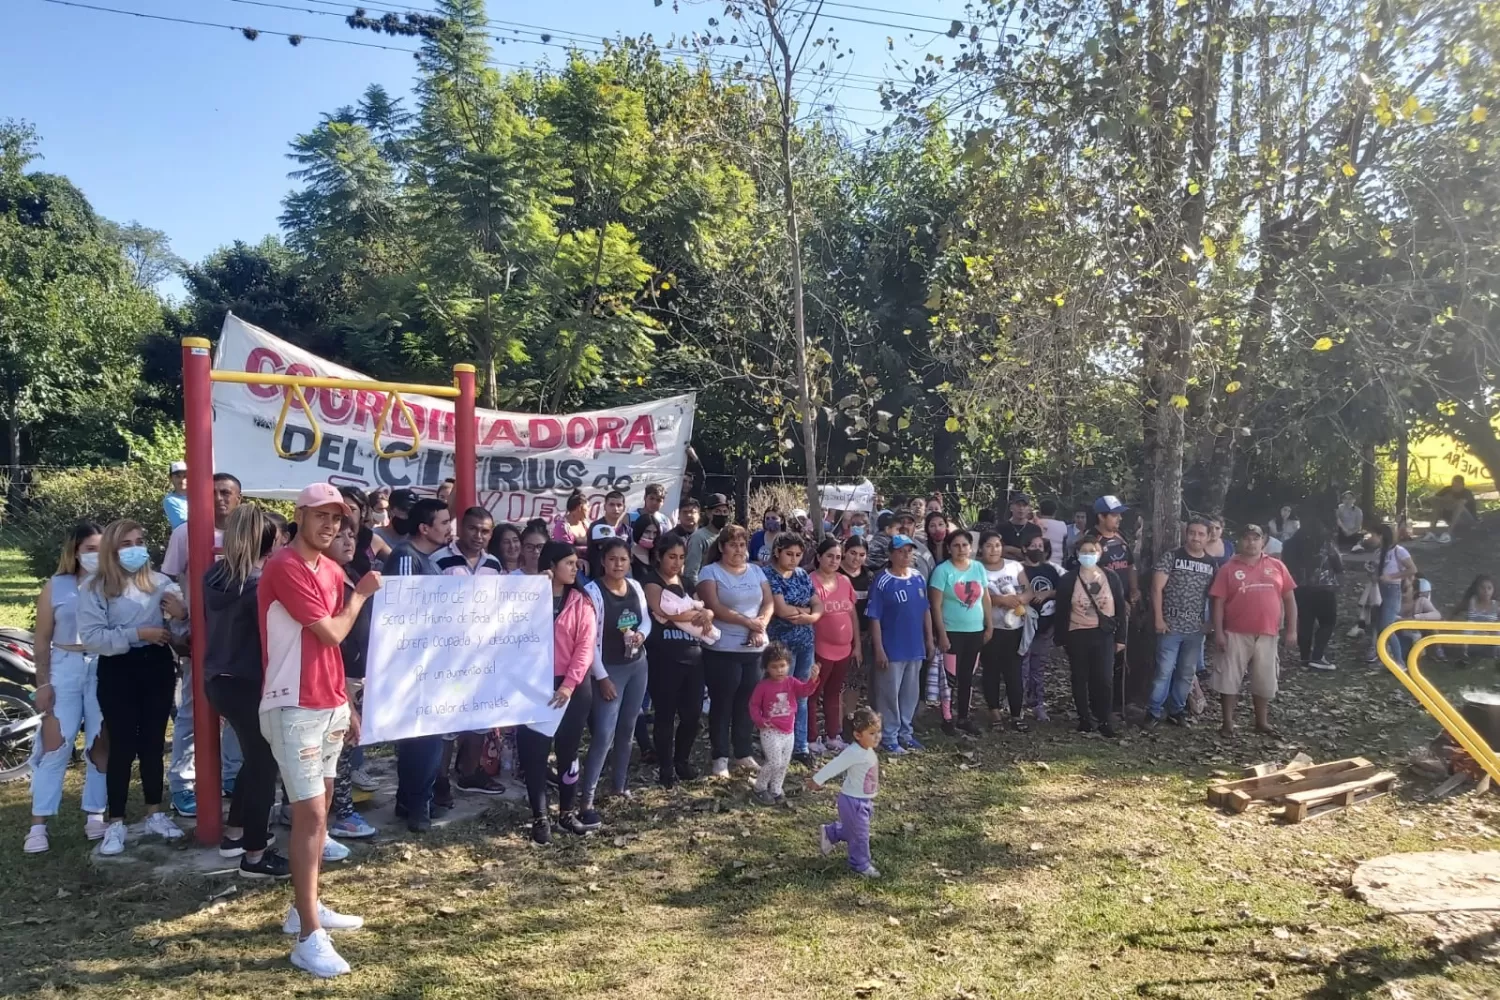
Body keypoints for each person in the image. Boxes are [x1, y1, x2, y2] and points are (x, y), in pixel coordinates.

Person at [258, 484, 380, 976]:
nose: (331, 526)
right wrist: (362, 597)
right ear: (300, 516)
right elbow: (331, 631)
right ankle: (309, 936)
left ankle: (304, 909)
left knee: (321, 813)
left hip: (327, 703)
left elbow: (330, 652)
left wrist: (346, 704)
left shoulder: (330, 569)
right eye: (323, 517)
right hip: (292, 705)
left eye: (339, 519)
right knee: (308, 816)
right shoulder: (284, 566)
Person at [78, 520, 190, 855]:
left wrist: (180, 613)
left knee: (153, 743)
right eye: (126, 544)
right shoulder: (95, 589)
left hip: (156, 666)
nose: (135, 549)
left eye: (140, 541)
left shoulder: (160, 583)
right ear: (112, 550)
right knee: (122, 745)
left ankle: (155, 812)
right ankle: (116, 822)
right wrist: (138, 634)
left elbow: (183, 622)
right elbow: (96, 639)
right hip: (118, 669)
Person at [202, 505, 292, 876]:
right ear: (267, 541)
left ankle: (236, 833)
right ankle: (255, 855)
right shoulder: (258, 587)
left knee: (254, 759)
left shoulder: (214, 576)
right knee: (263, 766)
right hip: (251, 683)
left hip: (220, 681)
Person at [161, 471, 244, 819]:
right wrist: (180, 620)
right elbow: (167, 582)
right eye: (212, 493)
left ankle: (230, 776)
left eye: (226, 492)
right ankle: (183, 784)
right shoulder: (186, 532)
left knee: (239, 711)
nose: (220, 499)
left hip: (241, 636)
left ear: (239, 497)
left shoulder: (248, 533)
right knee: (193, 710)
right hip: (201, 635)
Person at [24, 522, 107, 854]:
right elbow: (41, 639)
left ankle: (95, 814)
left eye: (102, 549)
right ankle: (39, 824)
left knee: (102, 742)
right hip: (65, 666)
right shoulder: (56, 586)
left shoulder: (112, 584)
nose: (96, 556)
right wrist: (42, 682)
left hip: (102, 664)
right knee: (55, 743)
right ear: (74, 552)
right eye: (90, 549)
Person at [518, 542, 597, 845]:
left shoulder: (581, 601)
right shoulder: (525, 599)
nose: (575, 568)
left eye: (577, 562)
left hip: (572, 689)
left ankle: (566, 812)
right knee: (535, 754)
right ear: (550, 565)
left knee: (568, 752)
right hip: (533, 685)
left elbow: (585, 648)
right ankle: (539, 817)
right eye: (568, 562)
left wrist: (568, 684)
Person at [384, 498, 452, 832]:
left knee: (419, 739)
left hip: (427, 663)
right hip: (415, 666)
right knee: (424, 740)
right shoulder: (406, 559)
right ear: (424, 528)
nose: (448, 528)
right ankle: (418, 807)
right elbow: (405, 612)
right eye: (443, 523)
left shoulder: (423, 559)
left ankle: (408, 802)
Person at [434, 507, 507, 796]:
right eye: (474, 529)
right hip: (449, 655)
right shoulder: (438, 561)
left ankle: (469, 773)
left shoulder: (494, 564)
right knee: (447, 720)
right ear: (461, 528)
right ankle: (439, 780)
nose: (479, 536)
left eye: (486, 531)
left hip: (484, 653)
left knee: (480, 716)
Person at [578, 538, 650, 827]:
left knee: (628, 727)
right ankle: (587, 798)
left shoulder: (635, 586)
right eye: (612, 560)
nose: (618, 564)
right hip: (609, 669)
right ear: (603, 561)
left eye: (623, 559)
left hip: (637, 665)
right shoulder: (593, 592)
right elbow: (589, 640)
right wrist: (602, 677)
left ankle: (619, 785)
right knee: (604, 733)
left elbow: (646, 620)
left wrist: (641, 636)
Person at [696, 524, 773, 779]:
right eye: (732, 545)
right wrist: (747, 623)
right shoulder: (710, 572)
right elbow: (715, 607)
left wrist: (759, 624)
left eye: (742, 545)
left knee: (747, 702)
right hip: (722, 648)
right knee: (722, 703)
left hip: (755, 647)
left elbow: (769, 602)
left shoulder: (756, 571)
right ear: (721, 548)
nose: (738, 550)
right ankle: (720, 757)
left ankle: (742, 752)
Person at [1209, 524, 1297, 739]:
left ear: (1263, 540)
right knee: (1229, 679)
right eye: (1246, 538)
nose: (1251, 542)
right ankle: (1228, 723)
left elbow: (1289, 599)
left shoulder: (1277, 566)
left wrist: (1292, 630)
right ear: (1239, 541)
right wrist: (1218, 632)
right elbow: (1218, 603)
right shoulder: (1228, 568)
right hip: (1235, 632)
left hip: (1268, 632)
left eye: (1255, 538)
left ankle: (1261, 721)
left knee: (1264, 679)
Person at [325, 517, 378, 840]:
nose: (347, 542)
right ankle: (342, 814)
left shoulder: (352, 575)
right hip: (337, 674)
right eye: (339, 536)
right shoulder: (328, 580)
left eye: (352, 536)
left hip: (356, 673)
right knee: (338, 749)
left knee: (345, 747)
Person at [643, 534, 708, 788]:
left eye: (681, 558)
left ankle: (682, 760)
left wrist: (703, 613)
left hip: (693, 656)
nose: (676, 563)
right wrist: (696, 614)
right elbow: (662, 609)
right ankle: (666, 767)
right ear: (659, 556)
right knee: (665, 716)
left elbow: (705, 611)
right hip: (663, 658)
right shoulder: (650, 581)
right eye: (671, 557)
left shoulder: (687, 581)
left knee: (692, 715)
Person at [1054, 535, 1127, 737]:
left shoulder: (1111, 577)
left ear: (1100, 552)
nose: (1088, 555)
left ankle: (1104, 718)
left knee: (1104, 678)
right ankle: (1084, 719)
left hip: (1104, 634)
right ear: (1077, 554)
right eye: (1084, 551)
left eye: (1092, 551)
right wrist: (1060, 639)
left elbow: (1120, 608)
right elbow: (1061, 610)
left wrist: (1121, 638)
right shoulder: (1068, 579)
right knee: (1080, 677)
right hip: (1077, 633)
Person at [1147, 518, 1217, 727]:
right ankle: (1153, 711)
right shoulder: (1172, 557)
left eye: (1201, 534)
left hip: (1195, 628)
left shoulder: (1212, 564)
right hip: (1170, 625)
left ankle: (1176, 710)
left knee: (1186, 672)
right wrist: (1158, 618)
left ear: (1208, 537)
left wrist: (1211, 622)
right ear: (1186, 533)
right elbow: (1156, 588)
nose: (1195, 537)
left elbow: (1215, 596)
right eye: (1192, 532)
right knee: (1164, 671)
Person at [865, 534, 933, 749]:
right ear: (891, 554)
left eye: (909, 551)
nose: (906, 555)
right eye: (901, 551)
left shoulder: (917, 578)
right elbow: (874, 616)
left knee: (910, 694)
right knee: (888, 695)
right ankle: (889, 736)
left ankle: (906, 732)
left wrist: (929, 640)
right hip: (892, 648)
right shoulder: (882, 581)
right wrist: (879, 649)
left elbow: (926, 611)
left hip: (915, 647)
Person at [763, 532, 823, 764]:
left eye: (798, 555)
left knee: (803, 693)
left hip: (805, 641)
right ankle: (776, 745)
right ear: (777, 552)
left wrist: (811, 616)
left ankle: (800, 747)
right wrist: (808, 613)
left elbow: (818, 603)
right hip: (781, 646)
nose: (794, 559)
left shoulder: (801, 575)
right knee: (780, 695)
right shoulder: (769, 574)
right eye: (789, 554)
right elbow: (781, 610)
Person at [928, 529, 993, 737]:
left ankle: (964, 717)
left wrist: (989, 625)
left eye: (965, 545)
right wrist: (942, 634)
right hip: (952, 631)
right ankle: (947, 718)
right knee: (950, 679)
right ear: (949, 548)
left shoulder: (978, 568)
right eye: (956, 545)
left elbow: (986, 599)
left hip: (975, 631)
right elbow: (935, 606)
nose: (961, 549)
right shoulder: (942, 571)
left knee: (968, 677)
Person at [809, 705, 882, 878]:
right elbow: (834, 766)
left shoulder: (866, 749)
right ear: (857, 735)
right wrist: (816, 780)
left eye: (878, 731)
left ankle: (831, 832)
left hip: (864, 800)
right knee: (860, 835)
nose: (877, 736)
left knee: (854, 830)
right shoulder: (853, 753)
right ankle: (861, 864)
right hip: (853, 801)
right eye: (872, 733)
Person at [749, 643, 821, 805]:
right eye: (774, 667)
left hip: (789, 731)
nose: (779, 670)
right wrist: (760, 721)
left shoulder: (791, 682)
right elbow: (753, 705)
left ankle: (775, 789)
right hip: (770, 730)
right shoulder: (763, 686)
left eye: (782, 666)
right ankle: (760, 787)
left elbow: (804, 691)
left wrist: (813, 680)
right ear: (766, 668)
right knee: (774, 762)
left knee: (783, 763)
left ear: (789, 664)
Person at [810, 537, 858, 753]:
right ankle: (811, 738)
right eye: (829, 556)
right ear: (819, 557)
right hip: (821, 650)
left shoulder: (845, 581)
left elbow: (852, 613)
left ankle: (833, 735)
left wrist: (856, 644)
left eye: (838, 557)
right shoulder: (810, 581)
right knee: (813, 694)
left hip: (844, 650)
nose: (834, 560)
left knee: (834, 692)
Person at [979, 531, 1029, 731]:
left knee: (1014, 672)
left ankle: (1017, 714)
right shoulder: (977, 569)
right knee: (990, 670)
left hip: (1014, 628)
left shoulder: (1014, 566)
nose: (994, 550)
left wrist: (1018, 600)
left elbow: (1028, 590)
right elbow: (977, 596)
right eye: (989, 546)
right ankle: (994, 713)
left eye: (997, 545)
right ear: (981, 548)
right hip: (990, 628)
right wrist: (1000, 601)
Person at [1283, 521, 1343, 671]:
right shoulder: (1326, 543)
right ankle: (1317, 656)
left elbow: (1286, 565)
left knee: (1305, 623)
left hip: (1300, 588)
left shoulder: (1290, 544)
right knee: (1328, 622)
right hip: (1324, 588)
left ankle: (1304, 659)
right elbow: (1338, 564)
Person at [1019, 536, 1060, 722]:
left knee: (1038, 668)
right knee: (1021, 667)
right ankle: (1016, 702)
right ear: (1025, 548)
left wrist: (1047, 593)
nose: (1037, 548)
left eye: (1040, 546)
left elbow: (1062, 590)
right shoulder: (1019, 570)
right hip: (1023, 626)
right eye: (1033, 545)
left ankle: (1038, 703)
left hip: (1045, 627)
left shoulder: (1050, 570)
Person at [1369, 523, 1417, 664]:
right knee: (1378, 625)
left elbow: (1412, 569)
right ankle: (1381, 657)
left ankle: (1399, 661)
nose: (1371, 538)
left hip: (1392, 591)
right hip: (1379, 591)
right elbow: (1377, 571)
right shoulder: (1378, 553)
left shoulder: (1399, 551)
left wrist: (1392, 577)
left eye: (1373, 535)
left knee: (1387, 626)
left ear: (1381, 536)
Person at [684, 493, 730, 592]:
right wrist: (699, 594)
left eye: (725, 511)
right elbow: (691, 573)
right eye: (717, 511)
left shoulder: (728, 535)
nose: (722, 515)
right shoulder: (698, 538)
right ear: (709, 513)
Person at [1451, 575, 1498, 665]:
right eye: (1482, 588)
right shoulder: (1471, 602)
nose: (1486, 591)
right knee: (1469, 624)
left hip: (1489, 633)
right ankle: (1464, 654)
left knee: (1497, 628)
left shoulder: (1496, 605)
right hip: (1472, 632)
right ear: (1476, 589)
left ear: (1493, 590)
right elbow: (1455, 611)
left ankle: (1495, 653)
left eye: (1489, 588)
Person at [588, 489, 632, 580]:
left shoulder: (628, 530)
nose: (615, 508)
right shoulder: (596, 527)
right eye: (611, 505)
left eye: (619, 505)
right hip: (599, 577)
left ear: (624, 508)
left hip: (622, 578)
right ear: (605, 507)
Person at [1429, 475, 1479, 541]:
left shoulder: (1467, 492)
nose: (1455, 487)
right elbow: (1433, 499)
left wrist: (1449, 501)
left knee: (1459, 505)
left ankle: (1448, 533)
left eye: (1458, 484)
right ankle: (1431, 532)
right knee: (1437, 504)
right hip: (1449, 516)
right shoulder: (1447, 489)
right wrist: (1443, 499)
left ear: (1462, 485)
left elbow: (1461, 502)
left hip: (1467, 520)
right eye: (1453, 484)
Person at [552, 490, 591, 564]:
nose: (589, 510)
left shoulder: (586, 525)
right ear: (580, 507)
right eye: (588, 507)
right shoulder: (562, 527)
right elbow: (564, 551)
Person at [865, 510, 897, 574]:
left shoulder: (875, 537)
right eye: (897, 529)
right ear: (887, 529)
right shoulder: (887, 542)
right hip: (876, 570)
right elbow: (895, 557)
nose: (898, 532)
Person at [630, 515, 660, 582]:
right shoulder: (629, 555)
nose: (651, 537)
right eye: (647, 532)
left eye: (655, 533)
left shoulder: (658, 555)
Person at [917, 511, 946, 580]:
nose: (937, 529)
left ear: (946, 526)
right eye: (932, 526)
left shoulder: (953, 546)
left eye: (941, 524)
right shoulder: (923, 549)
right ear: (927, 529)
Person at [164, 461, 189, 530]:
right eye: (178, 476)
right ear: (170, 478)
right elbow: (184, 523)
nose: (182, 480)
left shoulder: (199, 496)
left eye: (185, 476)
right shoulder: (170, 500)